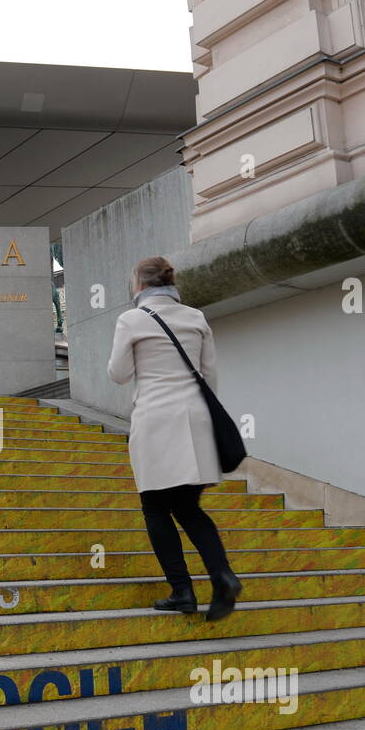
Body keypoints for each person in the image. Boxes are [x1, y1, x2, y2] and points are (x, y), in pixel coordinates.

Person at [107, 256, 243, 621]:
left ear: (139, 285)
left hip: (156, 419)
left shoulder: (131, 320)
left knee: (154, 505)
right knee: (188, 507)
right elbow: (210, 376)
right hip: (196, 420)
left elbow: (118, 374)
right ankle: (222, 575)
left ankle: (182, 591)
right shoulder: (195, 317)